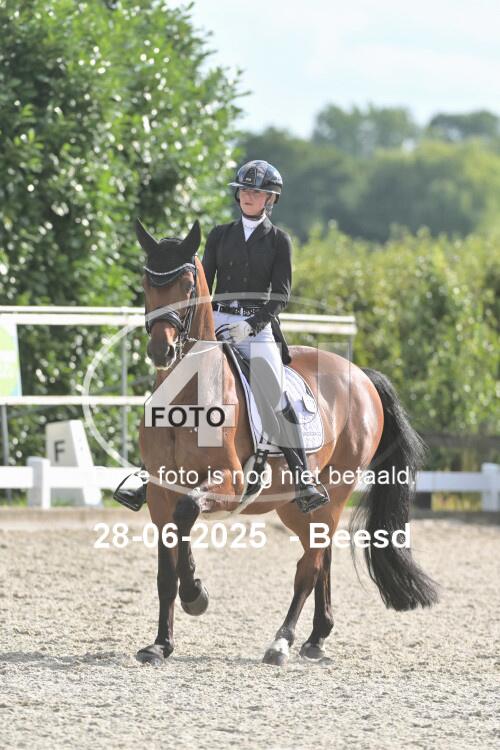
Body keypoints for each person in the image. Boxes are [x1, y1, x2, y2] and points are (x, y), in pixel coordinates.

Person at [202, 159, 329, 513]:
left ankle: (302, 477)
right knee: (178, 377)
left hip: (255, 327)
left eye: (255, 192)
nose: (247, 195)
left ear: (270, 199)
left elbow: (281, 295)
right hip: (216, 321)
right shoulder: (219, 235)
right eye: (244, 189)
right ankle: (146, 470)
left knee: (273, 390)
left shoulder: (278, 241)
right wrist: (205, 323)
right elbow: (205, 284)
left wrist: (252, 325)